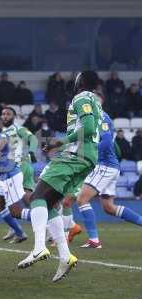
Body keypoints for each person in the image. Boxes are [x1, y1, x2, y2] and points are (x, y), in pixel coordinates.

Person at [17, 71, 102, 282]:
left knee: (37, 197)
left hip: (76, 154)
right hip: (87, 157)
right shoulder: (96, 101)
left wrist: (60, 142)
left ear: (81, 82)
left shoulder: (81, 97)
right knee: (50, 204)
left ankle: (38, 247)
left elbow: (89, 128)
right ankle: (65, 256)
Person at [77, 111, 142, 248]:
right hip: (107, 166)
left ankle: (94, 240)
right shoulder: (89, 119)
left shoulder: (102, 117)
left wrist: (90, 153)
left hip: (105, 166)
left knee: (82, 199)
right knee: (109, 207)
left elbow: (106, 141)